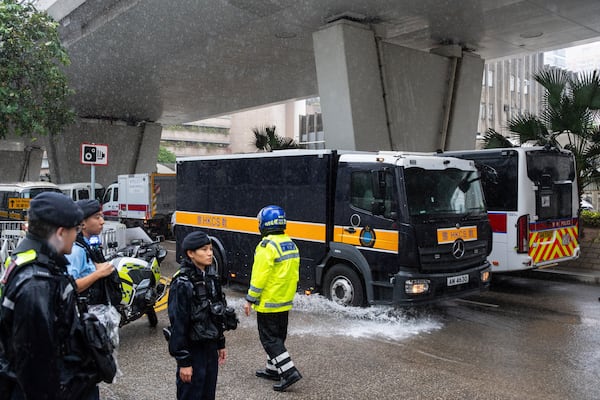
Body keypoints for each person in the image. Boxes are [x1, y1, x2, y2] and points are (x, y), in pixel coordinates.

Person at [0, 192, 99, 399]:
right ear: (61, 233)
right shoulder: (37, 284)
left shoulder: (31, 259)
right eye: (76, 229)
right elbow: (36, 364)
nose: (77, 235)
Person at [244, 205, 302, 392]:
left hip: (268, 302)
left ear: (264, 224)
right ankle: (273, 369)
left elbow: (259, 276)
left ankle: (288, 372)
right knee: (278, 336)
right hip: (284, 301)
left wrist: (250, 299)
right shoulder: (290, 243)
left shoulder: (266, 246)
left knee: (269, 340)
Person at [168, 231, 228, 400]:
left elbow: (217, 313)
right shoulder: (182, 283)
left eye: (210, 249)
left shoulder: (211, 277)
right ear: (190, 254)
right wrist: (184, 362)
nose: (209, 253)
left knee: (208, 395)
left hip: (210, 347)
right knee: (191, 395)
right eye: (204, 250)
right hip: (193, 350)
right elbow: (178, 324)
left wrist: (220, 342)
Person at [66, 199, 119, 306]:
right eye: (97, 217)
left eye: (102, 216)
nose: (102, 221)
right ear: (83, 223)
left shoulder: (90, 245)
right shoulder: (76, 250)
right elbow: (69, 287)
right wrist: (98, 273)